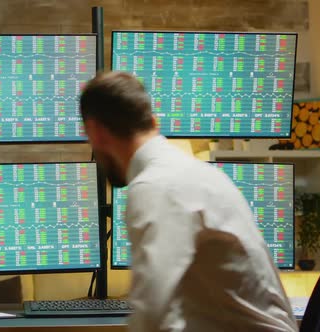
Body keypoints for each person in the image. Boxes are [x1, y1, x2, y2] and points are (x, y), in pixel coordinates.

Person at [80, 71, 298, 332]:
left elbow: (152, 313)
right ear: (153, 122)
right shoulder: (194, 173)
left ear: (95, 130)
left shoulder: (155, 186)